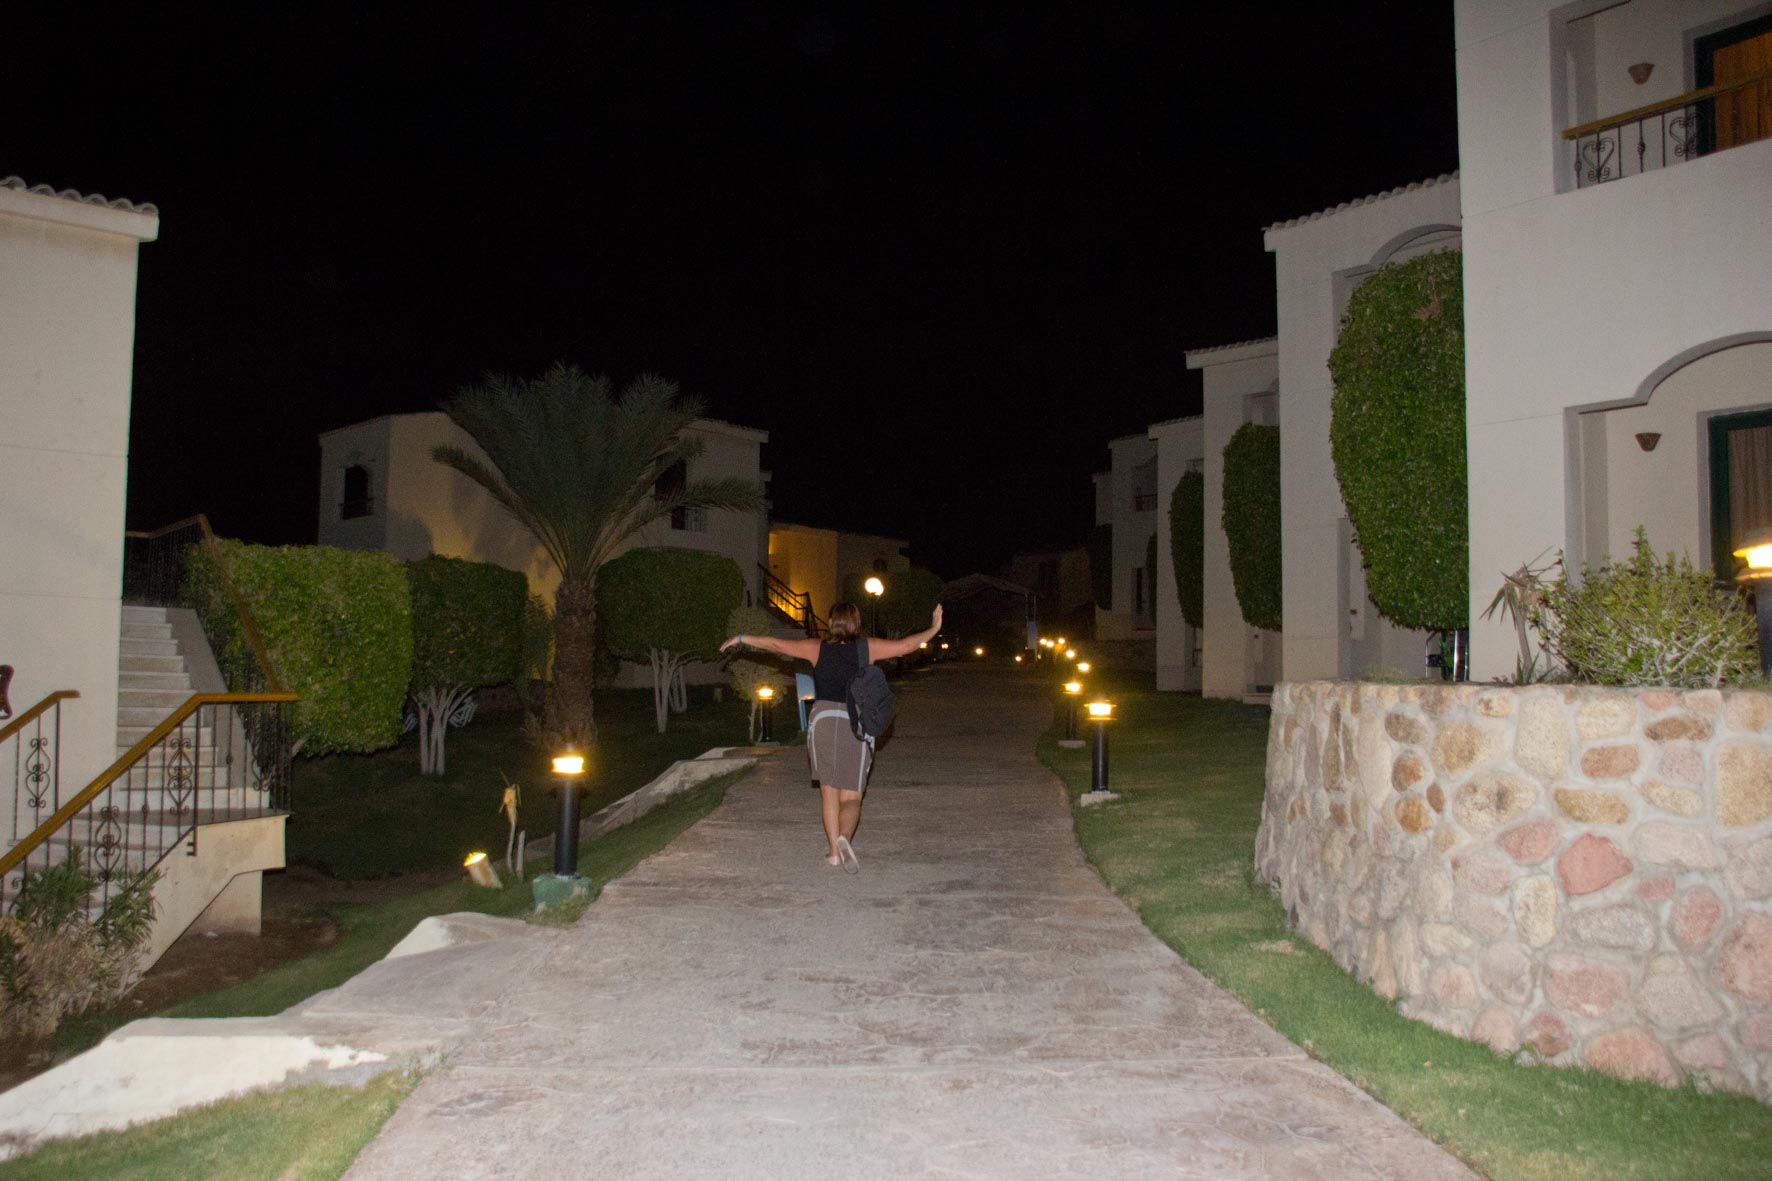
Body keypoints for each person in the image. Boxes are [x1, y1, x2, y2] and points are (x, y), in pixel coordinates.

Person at [720, 602, 942, 872]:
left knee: (828, 792)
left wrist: (741, 638)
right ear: (856, 622)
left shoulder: (816, 648)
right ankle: (844, 838)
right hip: (854, 721)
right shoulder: (867, 647)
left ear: (831, 622)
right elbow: (906, 646)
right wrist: (933, 628)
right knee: (852, 798)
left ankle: (834, 854)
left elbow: (776, 645)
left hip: (823, 721)